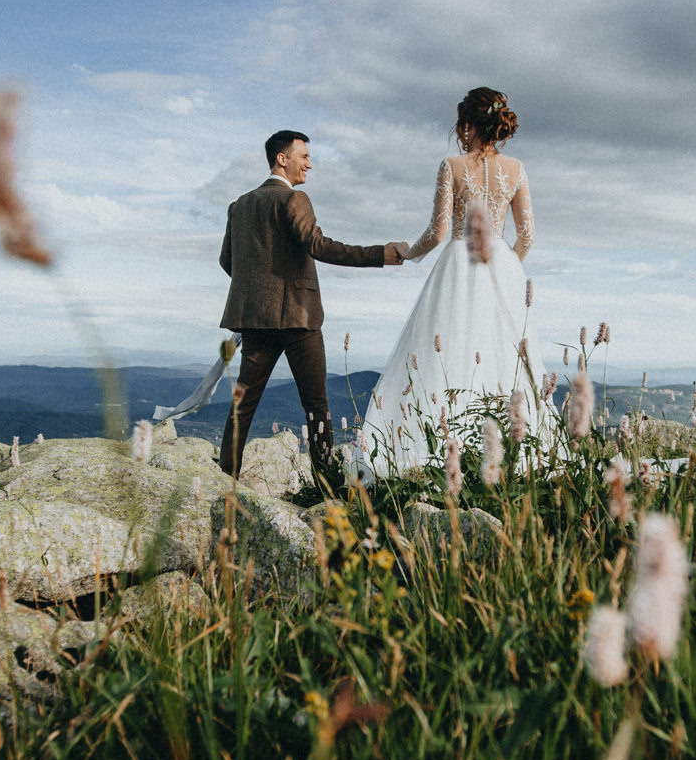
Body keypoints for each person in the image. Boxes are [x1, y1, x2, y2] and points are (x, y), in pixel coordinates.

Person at [353, 88, 552, 478]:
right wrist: (505, 272)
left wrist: (409, 253)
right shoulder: (516, 168)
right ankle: (511, 456)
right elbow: (528, 236)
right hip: (503, 268)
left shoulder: (452, 166)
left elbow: (438, 231)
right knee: (503, 358)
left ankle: (445, 452)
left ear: (467, 124)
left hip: (459, 266)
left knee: (446, 354)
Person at [219, 129, 405, 486]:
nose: (309, 164)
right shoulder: (295, 199)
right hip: (299, 319)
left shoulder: (239, 206)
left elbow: (228, 262)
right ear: (282, 159)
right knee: (316, 406)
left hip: (255, 321)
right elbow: (319, 246)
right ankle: (326, 487)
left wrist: (260, 293)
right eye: (304, 156)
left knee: (243, 404)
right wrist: (380, 254)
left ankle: (225, 478)